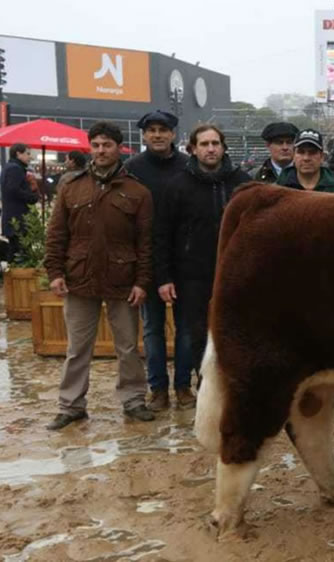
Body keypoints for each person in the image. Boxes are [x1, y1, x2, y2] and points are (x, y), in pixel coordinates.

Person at [43, 122, 156, 430]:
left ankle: (133, 400)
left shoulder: (138, 191)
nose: (101, 150)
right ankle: (71, 405)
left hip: (124, 279)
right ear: (89, 148)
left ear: (119, 148)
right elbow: (56, 235)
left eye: (107, 145)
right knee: (77, 348)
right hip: (79, 278)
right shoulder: (71, 186)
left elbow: (146, 243)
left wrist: (142, 282)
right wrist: (54, 272)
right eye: (96, 145)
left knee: (128, 347)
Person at [154, 124, 251, 411]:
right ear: (193, 149)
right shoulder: (177, 185)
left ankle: (234, 386)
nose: (210, 149)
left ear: (223, 147)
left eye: (215, 143)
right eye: (204, 144)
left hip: (235, 273)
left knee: (235, 331)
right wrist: (164, 277)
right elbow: (162, 234)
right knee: (191, 333)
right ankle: (201, 385)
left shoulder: (241, 183)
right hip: (190, 274)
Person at [124, 110, 190, 412]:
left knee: (186, 328)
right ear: (144, 135)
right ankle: (158, 388)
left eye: (163, 129)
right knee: (152, 328)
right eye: (151, 130)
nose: (158, 135)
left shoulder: (188, 166)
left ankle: (183, 387)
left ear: (173, 134)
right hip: (147, 258)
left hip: (185, 257)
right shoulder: (132, 168)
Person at [277, 129, 334, 193]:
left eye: (312, 152)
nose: (306, 158)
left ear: (322, 157)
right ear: (293, 156)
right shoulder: (278, 190)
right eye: (301, 152)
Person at [1, 143, 40, 263]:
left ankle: (11, 280)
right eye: (27, 154)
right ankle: (15, 280)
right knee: (20, 255)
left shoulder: (11, 167)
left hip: (13, 219)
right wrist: (32, 197)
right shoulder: (14, 168)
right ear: (18, 153)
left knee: (15, 254)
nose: (30, 157)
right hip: (17, 220)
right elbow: (13, 190)